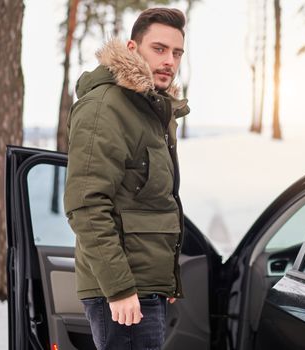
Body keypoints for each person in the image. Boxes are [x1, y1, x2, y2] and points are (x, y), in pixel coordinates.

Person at [63, 8, 189, 350]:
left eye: (177, 53)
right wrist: (119, 289)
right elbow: (85, 205)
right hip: (121, 293)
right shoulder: (105, 107)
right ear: (133, 48)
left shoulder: (151, 110)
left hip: (144, 286)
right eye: (159, 49)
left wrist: (164, 279)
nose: (170, 61)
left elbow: (150, 201)